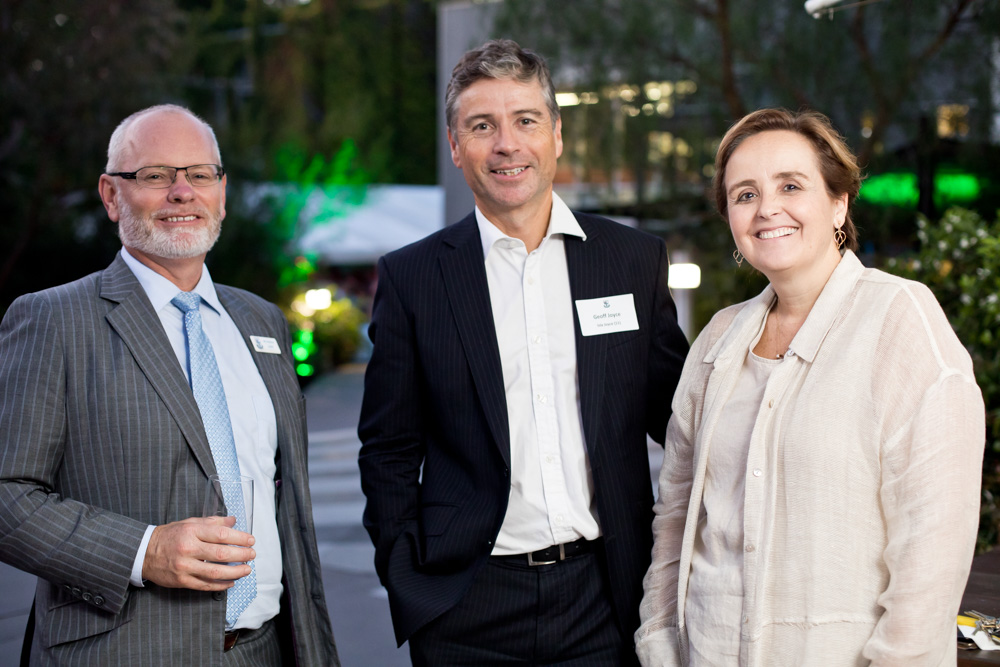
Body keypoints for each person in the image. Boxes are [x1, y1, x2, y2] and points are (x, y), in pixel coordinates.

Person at [357, 38, 689, 666]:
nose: (507, 144)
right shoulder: (414, 278)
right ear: (456, 147)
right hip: (466, 608)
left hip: (606, 597)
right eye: (482, 126)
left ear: (556, 135)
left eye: (526, 121)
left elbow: (681, 420)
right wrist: (409, 578)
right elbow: (388, 448)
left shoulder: (631, 260)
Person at [635, 108, 985, 666]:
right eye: (745, 194)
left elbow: (933, 547)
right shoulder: (718, 338)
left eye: (791, 186)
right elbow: (676, 514)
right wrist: (657, 638)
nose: (766, 208)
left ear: (839, 203)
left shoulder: (899, 319)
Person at [0, 105, 339, 666]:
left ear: (221, 193)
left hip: (267, 650)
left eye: (199, 174)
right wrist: (144, 551)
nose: (182, 192)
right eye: (155, 175)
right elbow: (7, 494)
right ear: (112, 195)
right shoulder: (53, 320)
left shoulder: (262, 321)